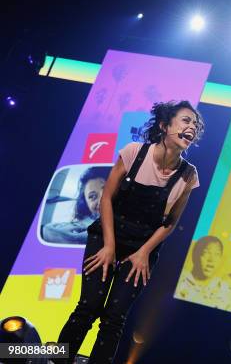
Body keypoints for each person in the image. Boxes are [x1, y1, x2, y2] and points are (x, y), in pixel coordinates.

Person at [54, 100, 203, 364]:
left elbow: (169, 223)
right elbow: (106, 198)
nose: (191, 126)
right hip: (107, 235)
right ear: (164, 125)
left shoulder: (188, 175)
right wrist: (109, 246)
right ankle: (57, 360)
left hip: (142, 249)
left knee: (114, 317)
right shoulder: (134, 152)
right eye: (185, 120)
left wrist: (144, 252)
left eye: (195, 124)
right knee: (88, 307)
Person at [43, 167, 108, 244]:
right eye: (92, 196)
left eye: (106, 191)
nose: (101, 200)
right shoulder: (77, 229)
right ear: (86, 205)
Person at [175, 235, 231, 310]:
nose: (211, 259)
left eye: (217, 254)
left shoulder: (227, 294)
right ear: (195, 255)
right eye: (206, 252)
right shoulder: (178, 281)